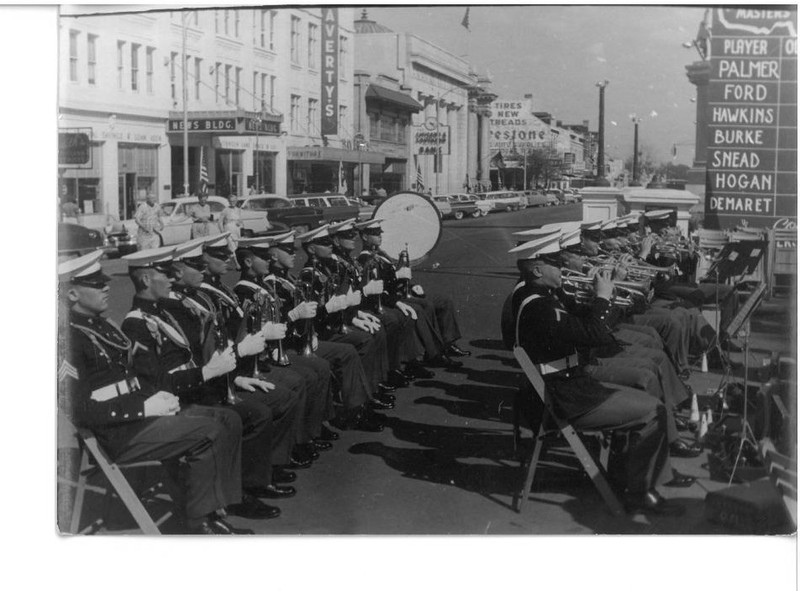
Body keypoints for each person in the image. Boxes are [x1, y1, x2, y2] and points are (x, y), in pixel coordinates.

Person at [58, 250, 248, 534]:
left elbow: (133, 377)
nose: (107, 286)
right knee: (209, 432)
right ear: (72, 295)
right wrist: (144, 408)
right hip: (119, 432)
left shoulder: (104, 327)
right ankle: (199, 523)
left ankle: (219, 506)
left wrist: (155, 398)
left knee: (228, 420)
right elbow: (79, 409)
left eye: (104, 281)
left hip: (139, 417)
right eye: (97, 284)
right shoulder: (68, 341)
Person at [509, 231, 689, 515]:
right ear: (537, 269)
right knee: (653, 411)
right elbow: (594, 334)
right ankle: (639, 491)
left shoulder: (542, 296)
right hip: (564, 396)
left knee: (645, 396)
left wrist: (608, 291)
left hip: (567, 385)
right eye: (556, 264)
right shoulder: (540, 307)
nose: (564, 269)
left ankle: (628, 478)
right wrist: (603, 298)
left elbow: (586, 322)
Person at [120, 245, 289, 520]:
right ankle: (229, 497)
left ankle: (241, 488)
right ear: (146, 279)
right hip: (177, 399)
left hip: (196, 388)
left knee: (250, 414)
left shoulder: (163, 313)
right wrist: (208, 374)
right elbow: (158, 383)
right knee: (236, 418)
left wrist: (231, 375)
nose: (172, 278)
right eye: (164, 273)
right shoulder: (137, 324)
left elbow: (201, 352)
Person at [264, 229, 385, 432]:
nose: (330, 246)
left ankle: (360, 404)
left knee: (353, 348)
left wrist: (349, 311)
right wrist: (321, 311)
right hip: (293, 344)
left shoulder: (293, 278)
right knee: (344, 353)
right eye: (287, 250)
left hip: (312, 337)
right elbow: (294, 317)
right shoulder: (288, 280)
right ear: (311, 248)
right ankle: (347, 413)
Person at [356, 218, 469, 369]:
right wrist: (397, 278)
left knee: (443, 300)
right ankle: (434, 353)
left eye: (379, 233)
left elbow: (395, 277)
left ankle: (449, 343)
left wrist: (413, 285)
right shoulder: (365, 259)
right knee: (424, 306)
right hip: (393, 298)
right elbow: (380, 285)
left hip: (404, 292)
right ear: (364, 237)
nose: (379, 236)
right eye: (375, 234)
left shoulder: (380, 254)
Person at [218, 194, 244, 269]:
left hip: (237, 229)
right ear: (228, 201)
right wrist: (222, 231)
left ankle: (237, 261)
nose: (232, 202)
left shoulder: (238, 209)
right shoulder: (225, 210)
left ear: (236, 201)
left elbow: (240, 220)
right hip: (229, 229)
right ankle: (237, 264)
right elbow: (220, 222)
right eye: (231, 201)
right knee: (231, 246)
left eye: (234, 201)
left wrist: (240, 224)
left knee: (237, 245)